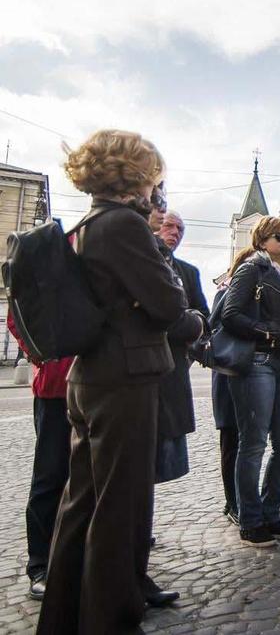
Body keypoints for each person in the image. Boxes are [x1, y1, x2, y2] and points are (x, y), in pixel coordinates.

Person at [38, 129, 196, 635]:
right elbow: (169, 304)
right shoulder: (124, 225)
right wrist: (186, 313)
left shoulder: (90, 222)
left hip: (93, 376)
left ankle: (64, 616)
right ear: (137, 176)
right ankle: (111, 618)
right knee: (119, 510)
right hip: (124, 377)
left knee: (81, 503)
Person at [221, 215, 280, 548]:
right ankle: (251, 520)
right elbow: (230, 315)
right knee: (253, 442)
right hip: (258, 361)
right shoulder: (252, 269)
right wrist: (267, 333)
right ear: (262, 240)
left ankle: (272, 512)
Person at [143, 208, 209, 607]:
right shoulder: (139, 254)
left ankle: (138, 539)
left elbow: (201, 312)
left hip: (169, 374)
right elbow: (172, 316)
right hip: (140, 376)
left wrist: (194, 325)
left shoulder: (185, 269)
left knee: (150, 468)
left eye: (181, 228)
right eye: (169, 225)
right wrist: (188, 323)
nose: (175, 233)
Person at [10, 312, 72, 603]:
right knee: (50, 478)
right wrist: (40, 355)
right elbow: (18, 316)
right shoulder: (37, 264)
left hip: (98, 382)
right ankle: (41, 566)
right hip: (56, 388)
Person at [210, 247, 255, 528]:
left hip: (253, 373)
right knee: (232, 438)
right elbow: (215, 324)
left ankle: (247, 498)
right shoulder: (227, 292)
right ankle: (233, 501)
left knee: (250, 440)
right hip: (230, 371)